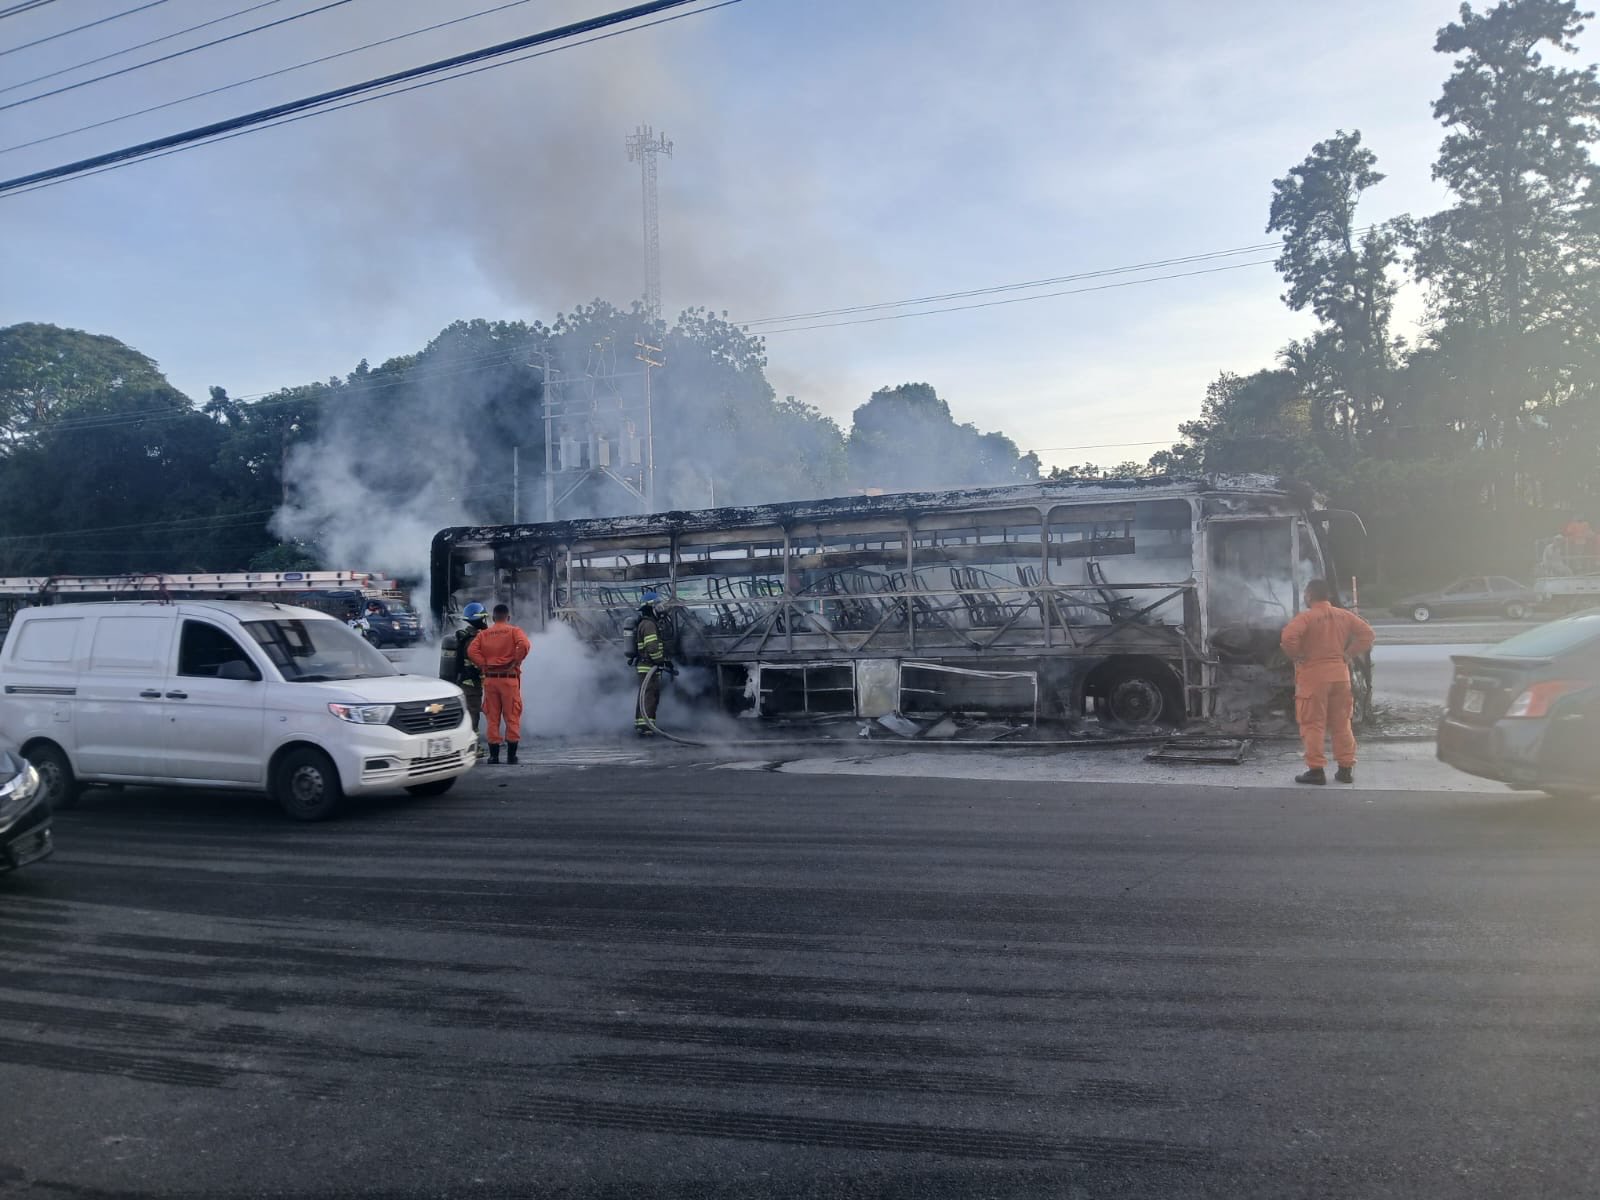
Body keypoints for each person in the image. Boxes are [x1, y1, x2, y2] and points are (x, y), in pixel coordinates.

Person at [1280, 579, 1376, 786]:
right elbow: (1368, 634)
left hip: (1313, 678)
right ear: (1328, 596)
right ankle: (1345, 769)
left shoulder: (1306, 617)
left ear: (1309, 596)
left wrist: (1297, 655)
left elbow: (1288, 638)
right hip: (1341, 676)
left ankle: (1316, 771)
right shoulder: (1344, 615)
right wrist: (1349, 653)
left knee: (1313, 724)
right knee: (1342, 724)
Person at [466, 603, 531, 764]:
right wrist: (515, 661)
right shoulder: (514, 631)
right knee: (512, 716)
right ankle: (511, 756)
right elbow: (524, 644)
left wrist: (484, 664)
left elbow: (471, 651)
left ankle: (493, 756)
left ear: (493, 618)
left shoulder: (483, 634)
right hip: (509, 680)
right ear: (508, 617)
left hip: (490, 680)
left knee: (492, 718)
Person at [630, 590, 672, 736]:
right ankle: (647, 728)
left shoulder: (646, 623)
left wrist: (663, 662)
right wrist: (660, 661)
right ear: (650, 607)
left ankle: (642, 725)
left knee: (645, 695)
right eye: (658, 606)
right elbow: (652, 647)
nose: (661, 609)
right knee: (650, 696)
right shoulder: (649, 625)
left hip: (647, 665)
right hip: (649, 666)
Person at [453, 602, 489, 752]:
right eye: (484, 618)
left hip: (465, 682)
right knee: (472, 716)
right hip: (471, 685)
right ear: (480, 619)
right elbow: (477, 663)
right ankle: (472, 749)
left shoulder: (465, 636)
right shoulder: (474, 639)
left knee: (469, 715)